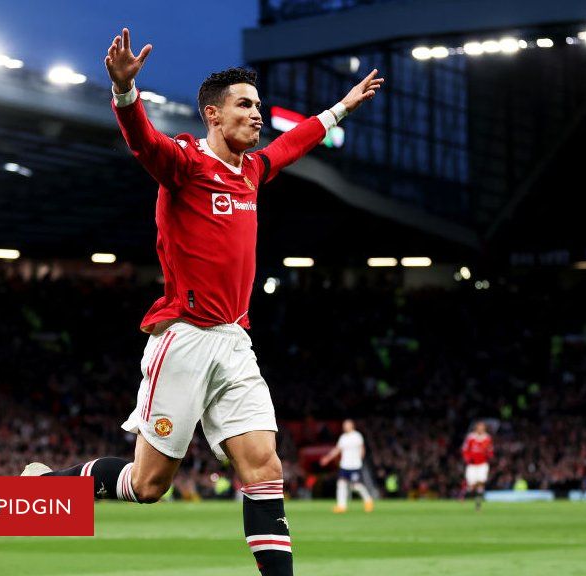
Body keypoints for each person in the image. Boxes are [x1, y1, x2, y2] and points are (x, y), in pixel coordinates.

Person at [22, 28, 383, 576]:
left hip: (236, 342)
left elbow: (293, 143)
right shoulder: (185, 165)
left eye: (259, 106)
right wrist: (125, 93)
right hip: (186, 336)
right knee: (148, 486)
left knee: (264, 467)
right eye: (245, 105)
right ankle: (47, 489)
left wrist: (340, 108)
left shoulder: (252, 172)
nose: (257, 115)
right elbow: (142, 141)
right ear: (213, 115)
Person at [319, 419, 374, 513]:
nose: (345, 426)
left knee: (356, 486)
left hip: (355, 466)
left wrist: (359, 459)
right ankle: (341, 506)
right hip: (345, 465)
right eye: (344, 425)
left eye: (347, 425)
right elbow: (337, 449)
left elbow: (362, 449)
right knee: (341, 484)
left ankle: (368, 501)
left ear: (352, 425)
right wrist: (327, 458)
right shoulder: (343, 437)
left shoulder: (357, 436)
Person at [461, 421, 494, 511]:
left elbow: (490, 450)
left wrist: (490, 455)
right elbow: (465, 449)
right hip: (472, 465)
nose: (481, 429)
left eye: (482, 427)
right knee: (471, 486)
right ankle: (464, 495)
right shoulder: (471, 437)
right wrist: (467, 458)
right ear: (476, 428)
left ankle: (478, 504)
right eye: (479, 427)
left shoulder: (487, 438)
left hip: (482, 464)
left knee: (481, 483)